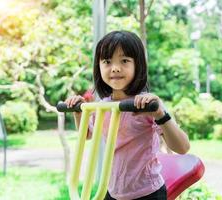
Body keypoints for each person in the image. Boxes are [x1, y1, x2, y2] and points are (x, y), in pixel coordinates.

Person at [65, 30, 190, 200]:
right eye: (107, 62)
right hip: (113, 191)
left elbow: (182, 147)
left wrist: (160, 114)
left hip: (147, 192)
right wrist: (79, 112)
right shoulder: (103, 106)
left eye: (124, 61)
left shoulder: (147, 104)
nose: (115, 68)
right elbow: (87, 135)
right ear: (99, 66)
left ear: (137, 65)